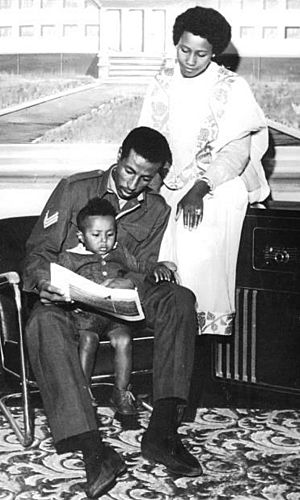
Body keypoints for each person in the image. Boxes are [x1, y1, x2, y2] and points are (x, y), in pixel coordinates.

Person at [23, 126, 201, 500]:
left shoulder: (157, 209)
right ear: (119, 155)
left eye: (146, 177)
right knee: (42, 320)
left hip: (121, 295)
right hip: (69, 297)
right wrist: (45, 285)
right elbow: (38, 255)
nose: (134, 183)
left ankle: (162, 434)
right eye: (129, 171)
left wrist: (136, 280)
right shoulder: (75, 189)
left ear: (160, 173)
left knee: (179, 299)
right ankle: (95, 453)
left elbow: (144, 265)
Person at [139, 6, 270, 336]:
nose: (190, 60)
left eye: (201, 54)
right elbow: (148, 142)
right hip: (168, 179)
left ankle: (202, 322)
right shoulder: (161, 83)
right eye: (184, 50)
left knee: (204, 217)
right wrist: (150, 187)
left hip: (216, 181)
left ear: (214, 52)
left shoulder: (232, 86)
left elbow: (236, 153)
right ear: (176, 43)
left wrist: (199, 188)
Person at [58, 197, 176, 416]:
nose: (104, 241)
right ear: (81, 236)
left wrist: (157, 267)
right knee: (88, 339)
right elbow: (60, 284)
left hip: (114, 317)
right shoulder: (71, 258)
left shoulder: (119, 252)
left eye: (110, 234)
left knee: (123, 339)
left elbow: (139, 266)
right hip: (85, 318)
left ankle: (121, 393)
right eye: (96, 235)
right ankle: (83, 394)